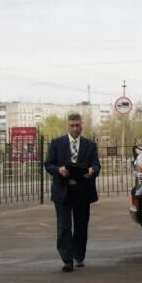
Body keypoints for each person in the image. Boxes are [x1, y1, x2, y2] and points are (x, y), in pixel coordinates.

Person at [43, 112, 100, 272]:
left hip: (83, 191)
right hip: (63, 191)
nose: (75, 128)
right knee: (64, 226)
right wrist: (59, 170)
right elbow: (48, 164)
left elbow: (96, 165)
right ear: (67, 126)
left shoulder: (90, 145)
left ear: (82, 126)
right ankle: (67, 259)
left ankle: (78, 255)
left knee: (81, 226)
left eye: (78, 125)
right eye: (72, 125)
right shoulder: (56, 143)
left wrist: (92, 170)